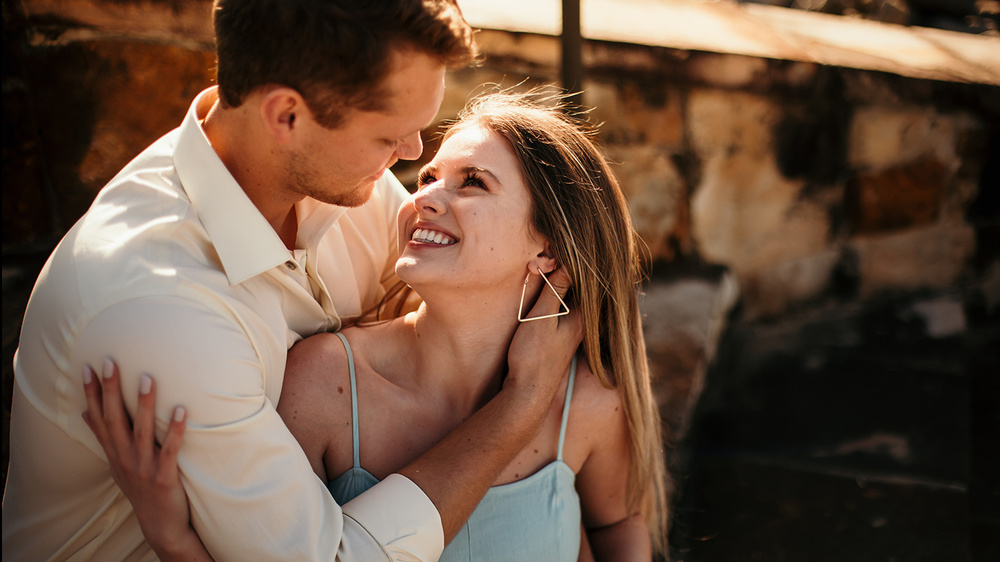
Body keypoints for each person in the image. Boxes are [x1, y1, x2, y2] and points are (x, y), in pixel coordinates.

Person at [2, 2, 583, 561]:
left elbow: (467, 292)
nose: (413, 153)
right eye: (389, 136)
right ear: (287, 115)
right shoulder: (159, 305)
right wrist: (520, 407)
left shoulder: (342, 182)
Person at [84, 91, 670, 561]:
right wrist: (175, 543)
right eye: (428, 179)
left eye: (473, 183)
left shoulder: (587, 402)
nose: (425, 198)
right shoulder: (325, 384)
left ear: (547, 249)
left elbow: (619, 528)